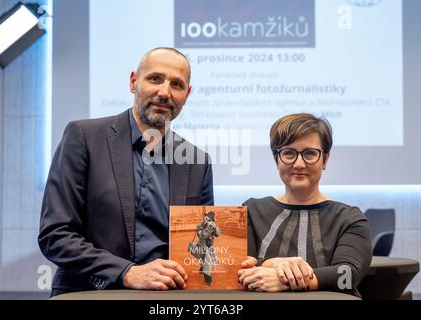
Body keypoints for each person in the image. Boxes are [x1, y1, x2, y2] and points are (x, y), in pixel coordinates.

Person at [38, 47, 214, 296]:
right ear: (133, 82)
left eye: (177, 84)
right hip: (91, 294)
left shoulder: (198, 161)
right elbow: (55, 235)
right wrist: (127, 272)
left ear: (187, 94)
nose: (164, 92)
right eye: (155, 79)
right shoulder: (84, 137)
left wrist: (237, 265)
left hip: (167, 300)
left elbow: (203, 249)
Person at [238, 113, 372, 296]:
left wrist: (286, 281)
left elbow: (348, 275)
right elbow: (239, 268)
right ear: (277, 159)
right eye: (289, 153)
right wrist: (274, 263)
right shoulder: (251, 211)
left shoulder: (349, 218)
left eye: (310, 153)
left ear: (325, 159)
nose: (299, 164)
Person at [195, 211, 221, 285]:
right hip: (202, 245)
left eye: (209, 219)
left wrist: (215, 227)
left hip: (210, 245)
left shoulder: (212, 225)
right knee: (208, 260)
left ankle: (201, 269)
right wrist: (206, 227)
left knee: (209, 258)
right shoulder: (201, 225)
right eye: (206, 218)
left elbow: (218, 234)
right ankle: (208, 279)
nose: (206, 219)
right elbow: (202, 235)